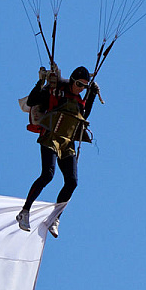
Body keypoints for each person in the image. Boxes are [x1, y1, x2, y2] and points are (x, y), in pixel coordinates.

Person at [17, 64, 96, 236]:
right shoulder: (56, 92)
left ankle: (54, 218)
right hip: (51, 136)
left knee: (72, 181)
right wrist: (41, 82)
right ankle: (24, 211)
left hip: (67, 142)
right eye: (79, 84)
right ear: (72, 81)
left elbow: (84, 116)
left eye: (84, 86)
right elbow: (31, 101)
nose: (81, 89)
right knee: (48, 175)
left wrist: (92, 96)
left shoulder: (80, 99)